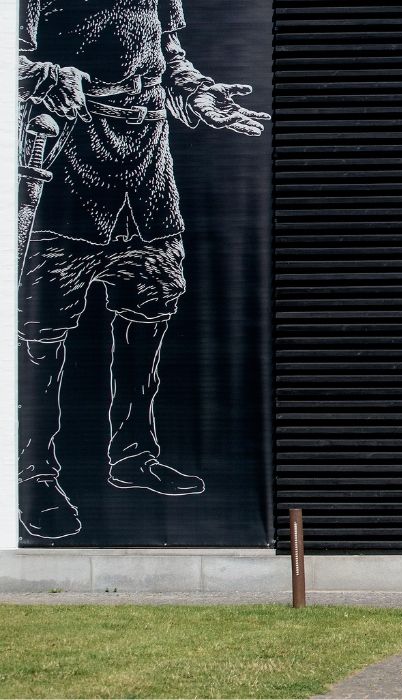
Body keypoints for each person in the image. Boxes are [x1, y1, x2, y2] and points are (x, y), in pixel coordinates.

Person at [16, 0, 270, 539]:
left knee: (150, 308)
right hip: (69, 166)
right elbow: (10, 61)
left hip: (149, 173)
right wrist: (49, 76)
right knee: (42, 333)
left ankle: (132, 453)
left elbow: (167, 55)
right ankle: (35, 474)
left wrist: (199, 94)